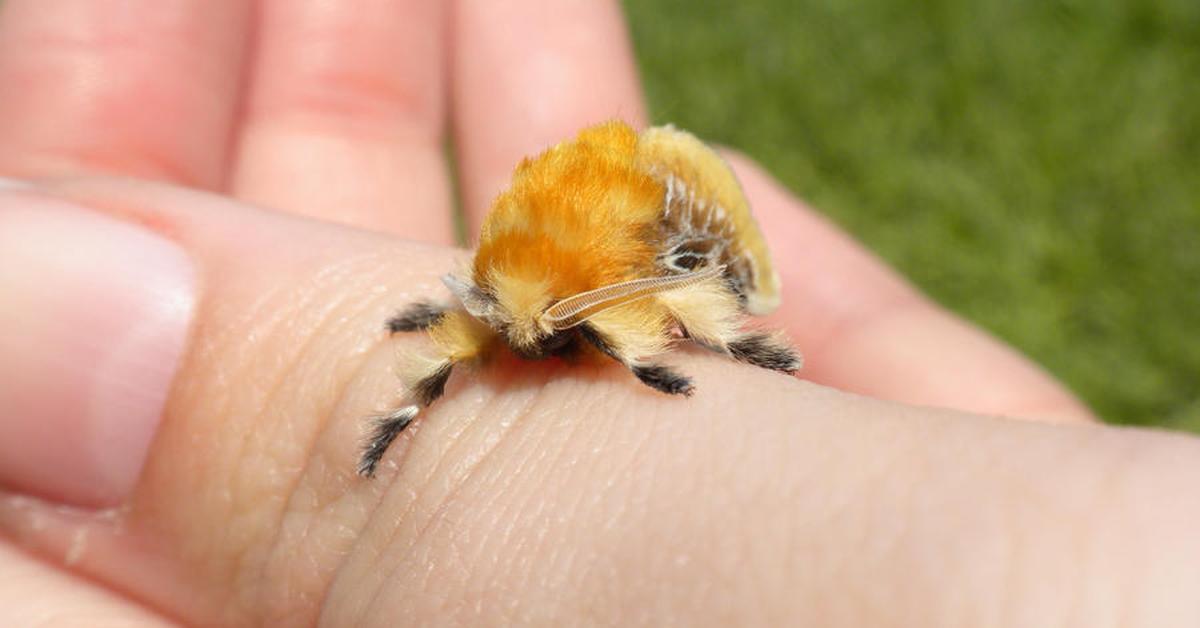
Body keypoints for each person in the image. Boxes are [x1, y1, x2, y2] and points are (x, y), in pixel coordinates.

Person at [0, 2, 1195, 625]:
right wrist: (402, 394)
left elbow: (634, 301)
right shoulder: (501, 295)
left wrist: (674, 363)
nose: (516, 353)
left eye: (537, 333)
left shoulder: (604, 289)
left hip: (656, 232)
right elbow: (480, 316)